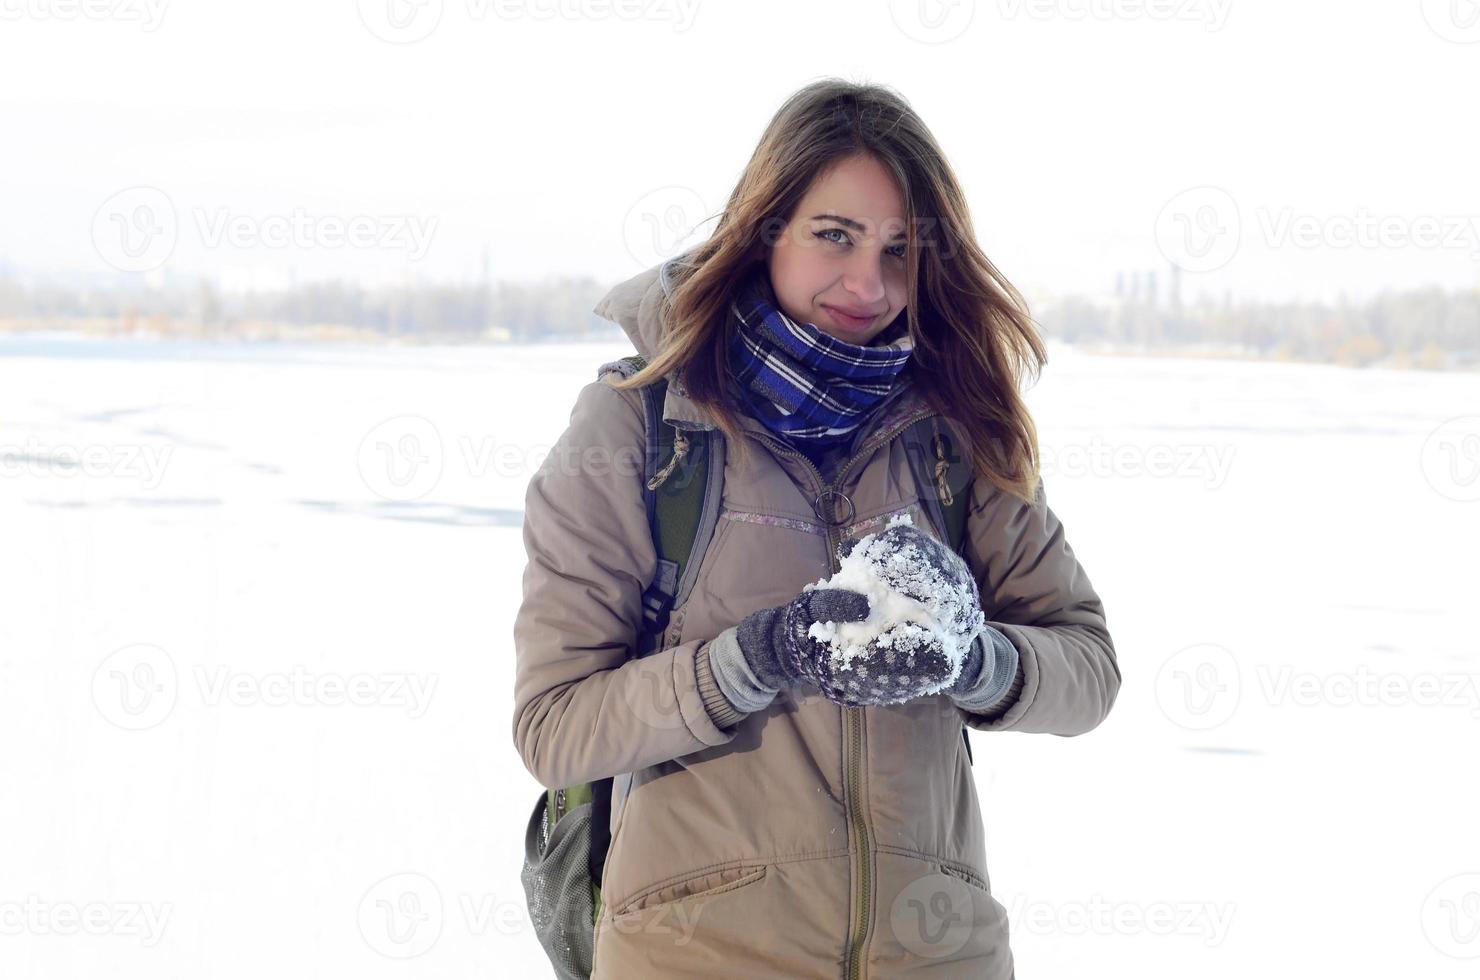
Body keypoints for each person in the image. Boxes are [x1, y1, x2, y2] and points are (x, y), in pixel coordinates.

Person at [513, 78, 1120, 979]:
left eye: (902, 250)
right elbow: (555, 728)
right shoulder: (638, 429)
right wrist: (757, 656)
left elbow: (1090, 671)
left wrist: (973, 657)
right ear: (764, 229)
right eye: (834, 235)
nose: (869, 283)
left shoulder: (955, 432)